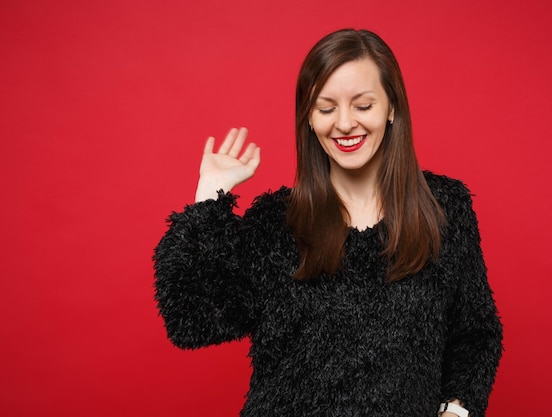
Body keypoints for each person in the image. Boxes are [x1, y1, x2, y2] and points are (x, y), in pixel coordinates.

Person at [154, 29, 503, 417]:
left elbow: (476, 333)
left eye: (363, 105)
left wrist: (456, 410)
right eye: (325, 108)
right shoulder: (276, 223)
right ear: (309, 119)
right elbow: (191, 322)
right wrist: (209, 197)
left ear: (392, 108)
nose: (344, 123)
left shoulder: (444, 209)